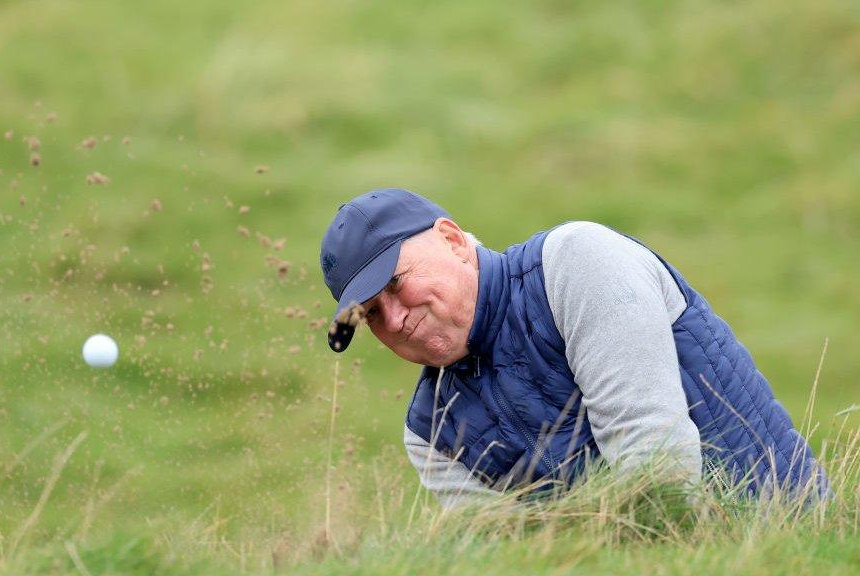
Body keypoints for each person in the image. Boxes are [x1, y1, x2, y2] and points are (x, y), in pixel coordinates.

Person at [319, 188, 827, 509]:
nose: (397, 318)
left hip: (790, 548)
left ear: (452, 240)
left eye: (395, 284)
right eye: (372, 315)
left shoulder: (577, 262)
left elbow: (658, 464)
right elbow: (515, 564)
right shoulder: (431, 433)